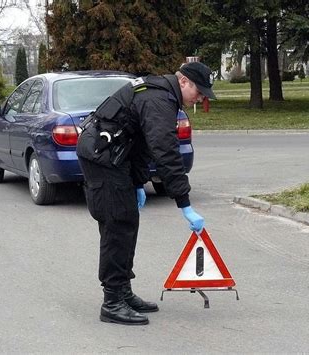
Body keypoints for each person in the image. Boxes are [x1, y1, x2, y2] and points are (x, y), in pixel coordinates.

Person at [76, 61, 217, 325]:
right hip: (101, 157)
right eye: (199, 91)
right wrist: (184, 203)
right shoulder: (159, 100)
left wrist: (139, 182)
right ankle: (112, 302)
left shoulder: (162, 95)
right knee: (117, 225)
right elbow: (165, 152)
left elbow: (140, 143)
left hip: (115, 155)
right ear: (183, 81)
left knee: (128, 221)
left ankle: (124, 292)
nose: (199, 98)